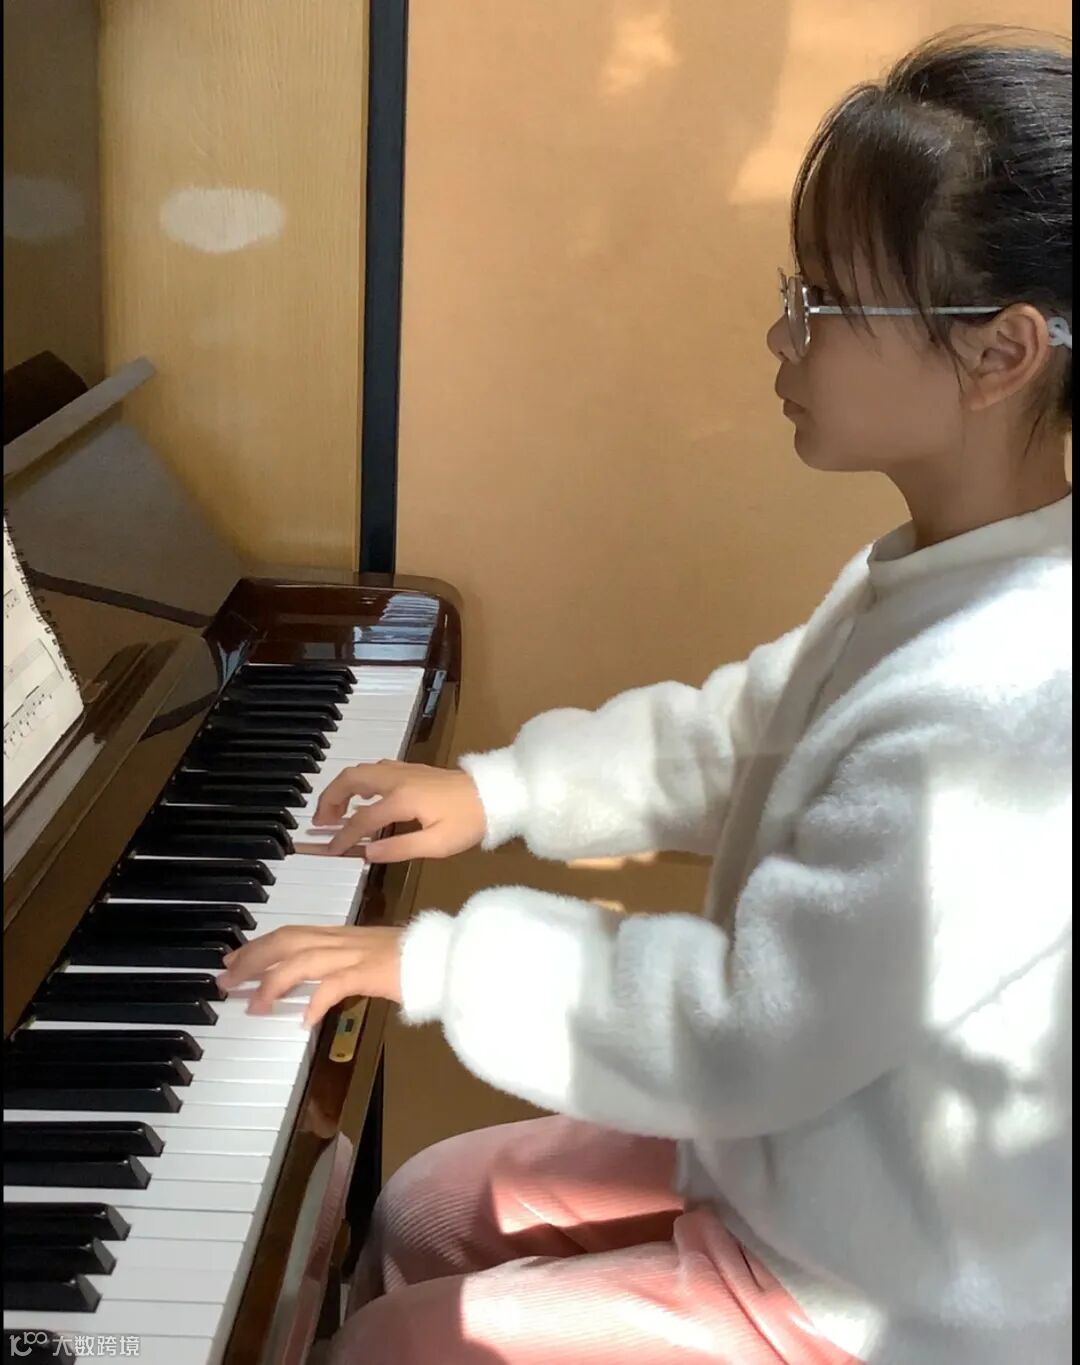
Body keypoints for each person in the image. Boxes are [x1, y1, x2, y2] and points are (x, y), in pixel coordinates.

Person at [219, 28, 1072, 1365]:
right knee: (427, 1204)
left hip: (891, 1283)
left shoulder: (1012, 696)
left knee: (393, 1347)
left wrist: (436, 963)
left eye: (824, 302)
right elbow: (744, 736)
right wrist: (502, 790)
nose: (781, 335)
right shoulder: (930, 573)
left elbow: (751, 1026)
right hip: (804, 1150)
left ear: (1000, 353)